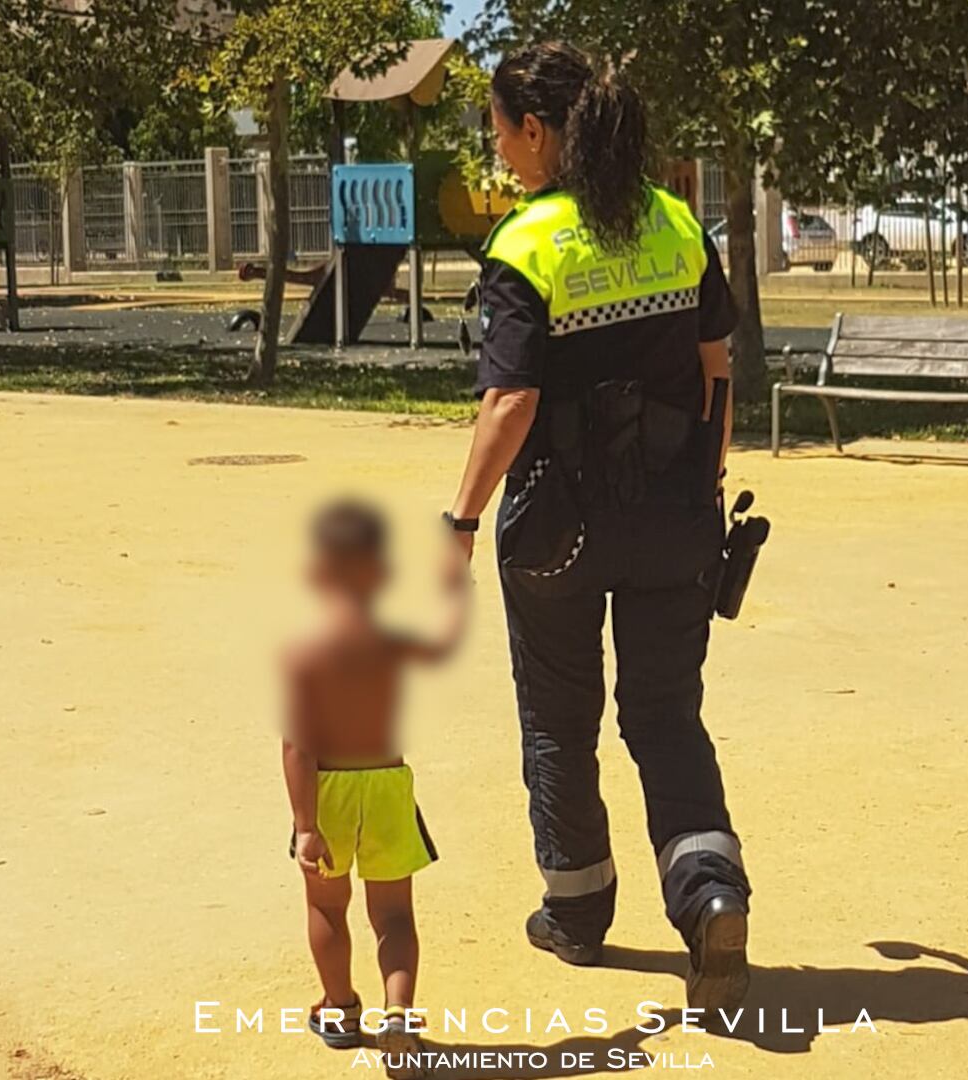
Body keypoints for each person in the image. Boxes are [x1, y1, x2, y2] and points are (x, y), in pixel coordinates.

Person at [443, 42, 752, 1010]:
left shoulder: (528, 245)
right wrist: (705, 485)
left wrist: (460, 518)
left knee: (558, 722)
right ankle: (708, 895)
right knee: (665, 716)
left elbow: (510, 406)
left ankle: (576, 912)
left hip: (557, 535)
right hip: (672, 517)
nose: (501, 154)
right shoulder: (675, 225)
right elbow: (717, 375)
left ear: (537, 131)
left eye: (500, 135)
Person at [281, 498, 467, 1078]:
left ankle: (339, 1009)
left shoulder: (307, 654)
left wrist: (307, 827)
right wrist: (457, 579)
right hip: (387, 787)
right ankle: (399, 1016)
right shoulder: (391, 644)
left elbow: (298, 746)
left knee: (327, 908)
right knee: (394, 916)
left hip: (329, 791)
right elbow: (443, 643)